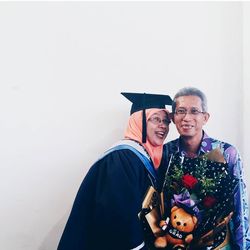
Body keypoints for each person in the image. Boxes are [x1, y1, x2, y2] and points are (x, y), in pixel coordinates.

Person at [57, 92, 172, 250]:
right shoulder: (122, 158)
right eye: (155, 119)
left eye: (166, 121)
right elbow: (118, 218)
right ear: (138, 122)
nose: (163, 126)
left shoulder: (146, 156)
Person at [164, 87, 250, 249]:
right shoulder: (166, 153)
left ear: (205, 117)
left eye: (194, 111)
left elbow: (240, 205)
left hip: (218, 243)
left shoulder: (226, 152)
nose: (186, 118)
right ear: (173, 117)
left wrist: (243, 246)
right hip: (178, 242)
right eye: (180, 111)